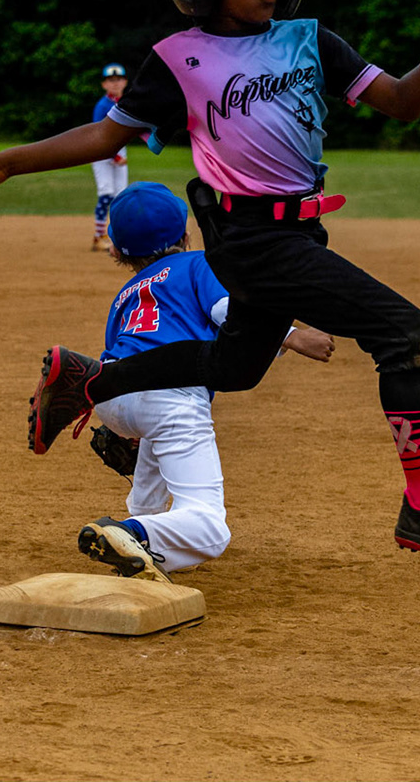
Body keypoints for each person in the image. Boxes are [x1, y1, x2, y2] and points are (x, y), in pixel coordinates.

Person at [0, 0, 420, 564]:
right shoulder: (178, 59)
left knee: (234, 366)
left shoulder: (312, 43)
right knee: (400, 329)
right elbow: (108, 137)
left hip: (299, 235)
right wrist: (8, 163)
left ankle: (90, 383)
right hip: (249, 239)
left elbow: (400, 103)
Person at [78, 182, 335, 582]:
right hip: (170, 393)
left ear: (117, 250)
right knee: (210, 530)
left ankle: (139, 519)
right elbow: (228, 310)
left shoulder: (125, 294)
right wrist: (293, 336)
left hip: (111, 391)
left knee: (155, 435)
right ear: (184, 235)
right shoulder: (198, 263)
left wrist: (127, 421)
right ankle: (134, 534)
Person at [89, 63, 131, 250]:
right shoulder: (103, 106)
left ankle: (118, 236)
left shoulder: (126, 102)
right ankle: (99, 236)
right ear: (104, 85)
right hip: (101, 154)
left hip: (119, 152)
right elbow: (99, 137)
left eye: (118, 80)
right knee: (106, 194)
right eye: (110, 80)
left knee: (120, 196)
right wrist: (115, 158)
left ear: (125, 82)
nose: (115, 84)